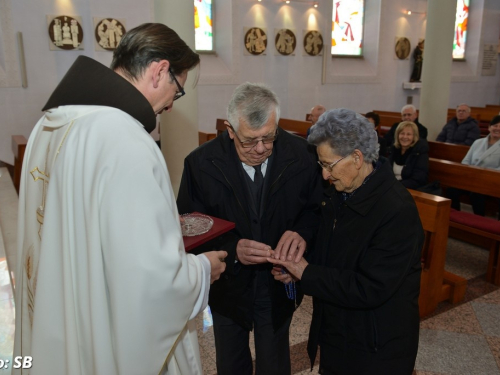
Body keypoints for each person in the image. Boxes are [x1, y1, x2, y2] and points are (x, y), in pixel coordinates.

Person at [13, 23, 227, 375]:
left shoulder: (49, 125)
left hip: (65, 320)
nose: (173, 104)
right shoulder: (125, 139)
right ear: (160, 71)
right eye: (179, 89)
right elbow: (151, 285)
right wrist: (203, 270)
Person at [177, 82, 323, 375]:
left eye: (269, 138)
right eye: (249, 141)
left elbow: (316, 210)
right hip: (227, 287)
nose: (260, 149)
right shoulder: (201, 164)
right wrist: (233, 249)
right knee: (231, 364)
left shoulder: (303, 156)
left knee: (275, 363)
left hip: (278, 285)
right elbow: (189, 226)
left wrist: (302, 236)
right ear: (230, 130)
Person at [268, 108, 423, 374]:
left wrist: (307, 273)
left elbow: (370, 287)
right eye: (321, 165)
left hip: (375, 346)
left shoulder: (397, 211)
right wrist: (297, 268)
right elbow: (335, 254)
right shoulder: (339, 193)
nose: (325, 176)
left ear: (357, 158)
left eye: (328, 165)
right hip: (338, 333)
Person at [446, 115, 500, 216]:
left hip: (491, 182)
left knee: (476, 193)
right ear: (489, 127)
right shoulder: (478, 142)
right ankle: (455, 216)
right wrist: (471, 173)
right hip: (471, 178)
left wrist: (484, 174)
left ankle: (480, 220)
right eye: (495, 125)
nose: (497, 128)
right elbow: (466, 161)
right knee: (451, 190)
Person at [388, 121, 429, 189]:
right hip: (393, 187)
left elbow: (419, 178)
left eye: (409, 134)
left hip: (409, 189)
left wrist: (396, 186)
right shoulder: (394, 149)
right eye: (402, 133)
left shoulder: (419, 151)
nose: (405, 137)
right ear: (397, 135)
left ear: (414, 136)